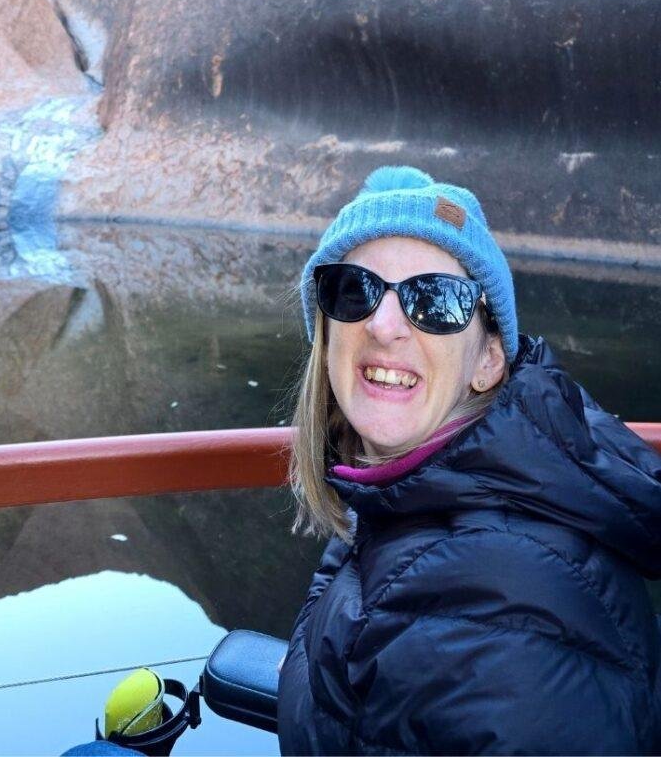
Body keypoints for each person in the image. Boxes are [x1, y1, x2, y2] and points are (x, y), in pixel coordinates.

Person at [277, 165, 661, 756]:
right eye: (353, 289)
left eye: (435, 300)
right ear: (326, 330)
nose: (383, 325)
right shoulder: (398, 495)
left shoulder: (502, 623)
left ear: (488, 361)